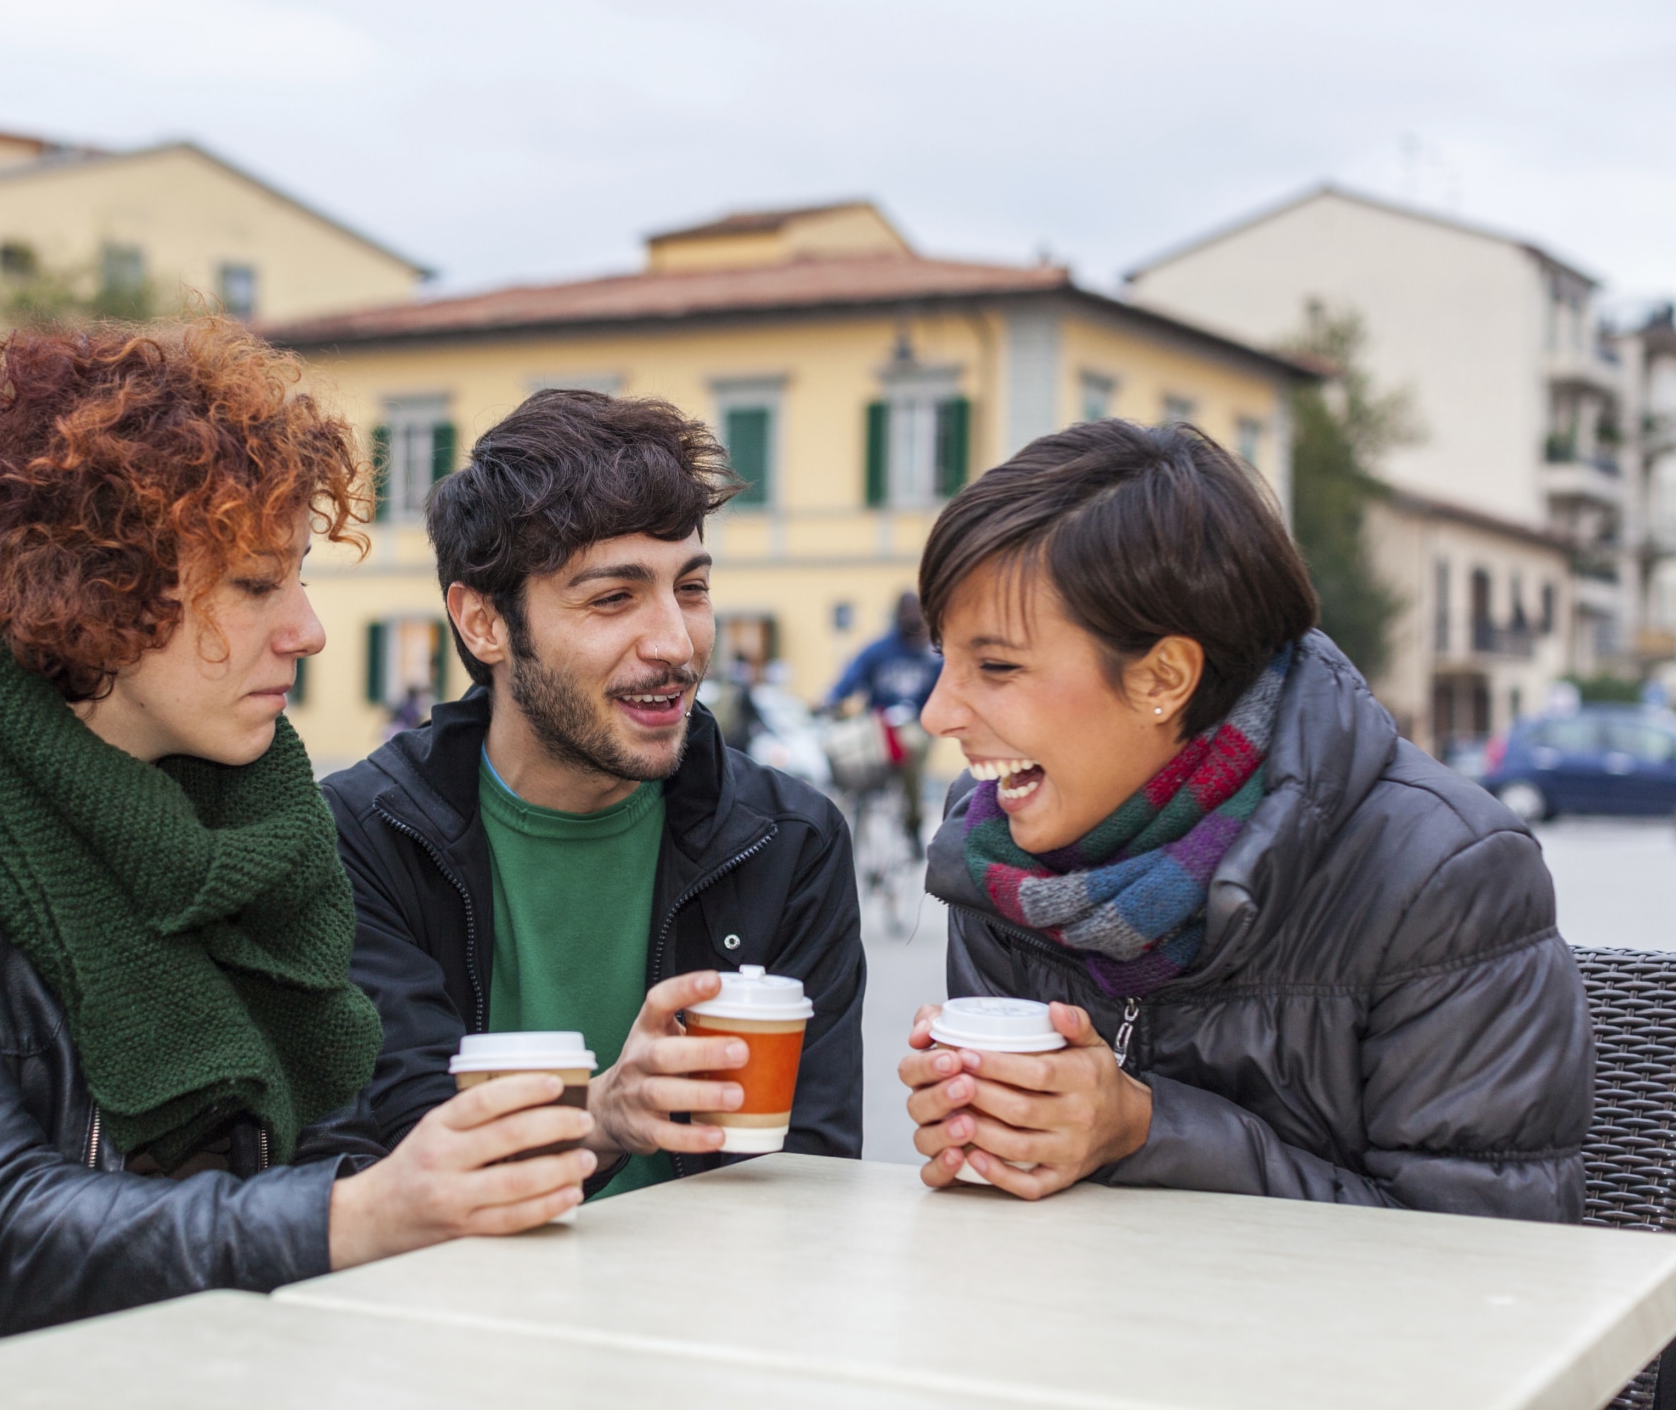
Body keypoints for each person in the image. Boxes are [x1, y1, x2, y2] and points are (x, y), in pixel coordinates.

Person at [0, 321, 593, 1407]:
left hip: (177, 1362)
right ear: (95, 590)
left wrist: (566, 1134)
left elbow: (327, 1134)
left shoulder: (252, 824)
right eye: (253, 585)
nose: (309, 630)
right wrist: (362, 1215)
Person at [898, 418, 1590, 1218]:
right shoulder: (995, 849)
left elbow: (1488, 1257)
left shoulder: (1443, 872)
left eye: (996, 666)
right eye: (940, 657)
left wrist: (1146, 1129)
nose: (936, 713)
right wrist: (990, 1127)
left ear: (1163, 675)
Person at [324, 390, 865, 1200]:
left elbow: (812, 1176)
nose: (675, 644)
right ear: (483, 622)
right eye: (614, 598)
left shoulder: (790, 840)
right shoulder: (363, 836)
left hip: (707, 1305)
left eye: (690, 588)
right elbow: (395, 1151)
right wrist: (599, 1117)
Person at [826, 590, 942, 841]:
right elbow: (851, 677)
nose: (910, 618)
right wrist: (831, 699)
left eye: (915, 612)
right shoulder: (879, 650)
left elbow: (945, 688)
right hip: (879, 725)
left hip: (916, 725)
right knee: (846, 746)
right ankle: (848, 808)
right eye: (905, 611)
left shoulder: (932, 655)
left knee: (910, 745)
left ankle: (913, 819)